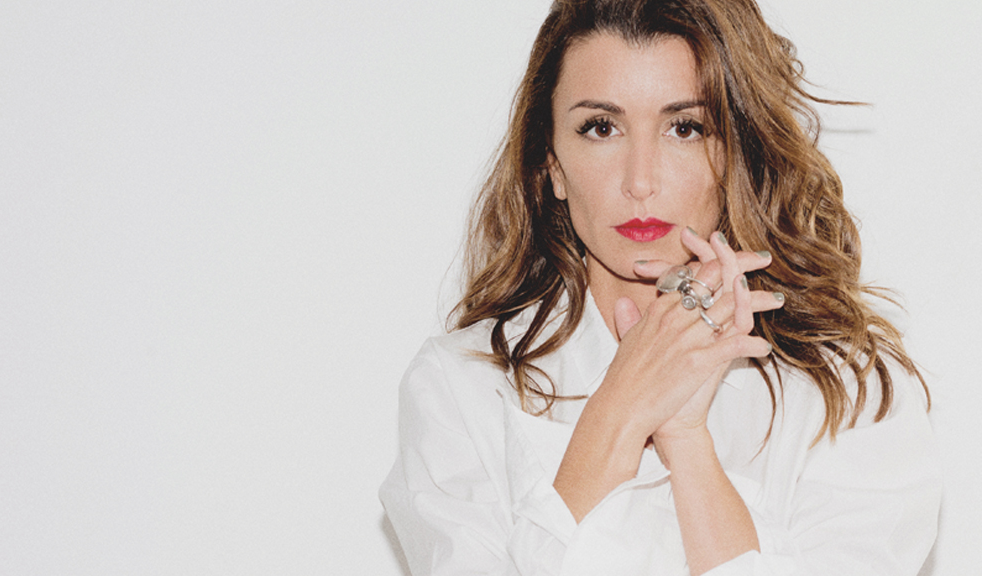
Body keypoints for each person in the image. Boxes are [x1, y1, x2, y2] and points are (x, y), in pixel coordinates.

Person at [379, 0, 941, 574]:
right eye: (601, 128)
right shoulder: (461, 388)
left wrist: (687, 441)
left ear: (737, 152)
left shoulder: (848, 393)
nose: (640, 180)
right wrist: (618, 409)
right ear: (551, 163)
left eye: (685, 128)